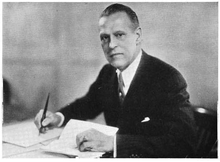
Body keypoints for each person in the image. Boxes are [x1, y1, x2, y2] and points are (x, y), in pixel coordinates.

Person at [34, 3, 197, 158]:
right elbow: (87, 104)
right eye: (105, 38)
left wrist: (114, 143)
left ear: (137, 36)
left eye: (119, 35)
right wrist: (58, 117)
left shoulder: (167, 78)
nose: (111, 45)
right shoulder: (108, 73)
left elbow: (183, 143)